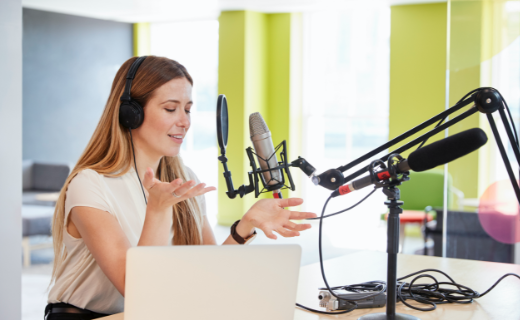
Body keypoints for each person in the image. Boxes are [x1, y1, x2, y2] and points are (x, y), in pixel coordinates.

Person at [45, 55, 317, 319]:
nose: (185, 121)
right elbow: (137, 289)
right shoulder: (90, 184)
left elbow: (211, 273)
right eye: (170, 108)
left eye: (187, 109)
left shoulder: (184, 178)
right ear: (131, 113)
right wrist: (158, 209)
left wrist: (246, 224)